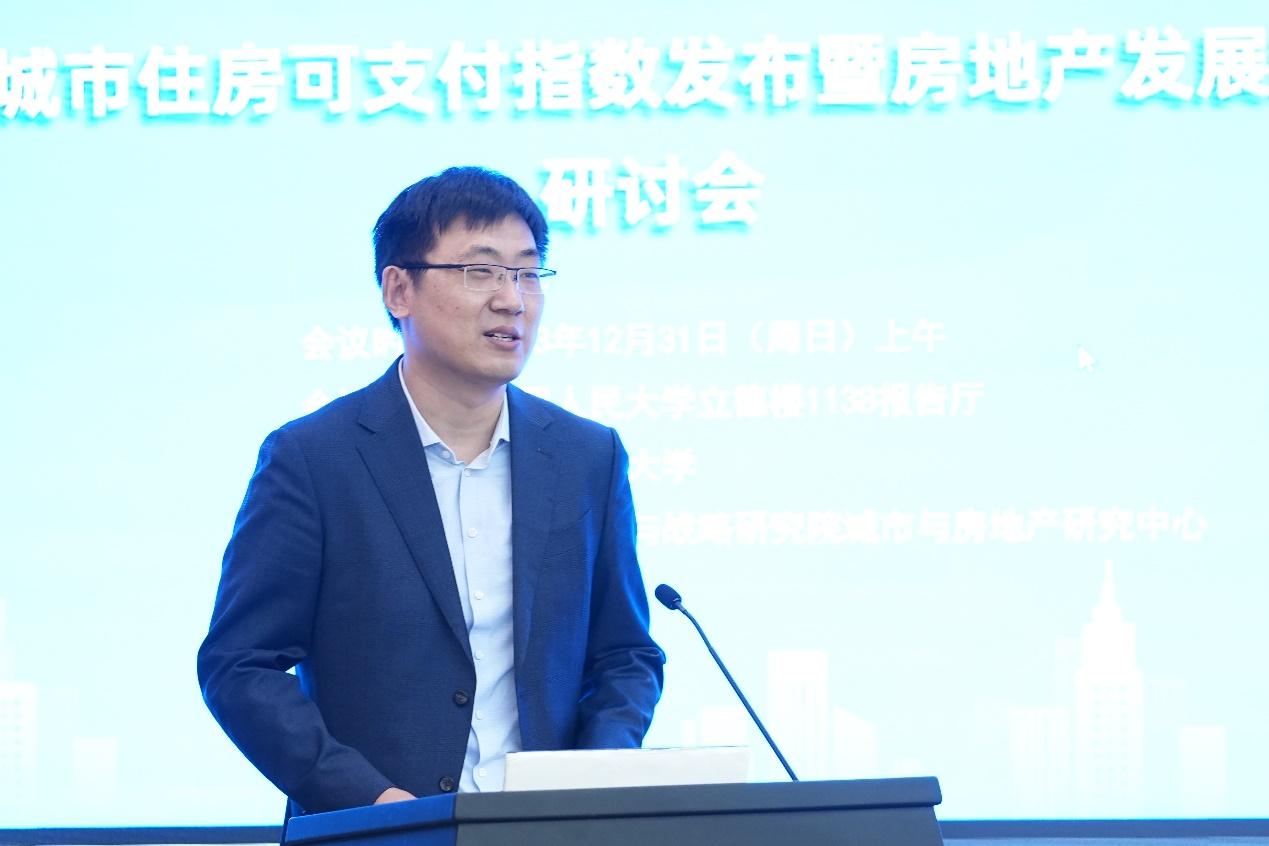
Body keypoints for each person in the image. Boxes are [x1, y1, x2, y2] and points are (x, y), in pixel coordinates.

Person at [197, 166, 664, 817]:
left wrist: (590, 781)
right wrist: (369, 801)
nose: (512, 300)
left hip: (547, 832)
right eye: (481, 271)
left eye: (528, 272)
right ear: (399, 290)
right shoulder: (313, 458)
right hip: (374, 831)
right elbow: (240, 665)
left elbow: (625, 656)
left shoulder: (588, 456)